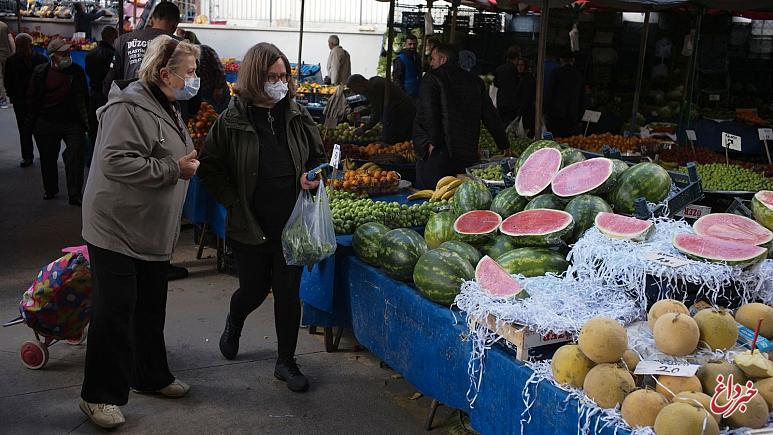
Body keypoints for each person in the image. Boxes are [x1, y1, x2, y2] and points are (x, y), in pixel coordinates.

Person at [79, 35, 200, 429]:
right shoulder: (127, 106)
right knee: (115, 310)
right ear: (166, 74)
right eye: (190, 72)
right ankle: (98, 397)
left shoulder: (165, 103)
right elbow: (114, 161)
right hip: (116, 226)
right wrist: (172, 170)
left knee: (150, 306)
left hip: (149, 228)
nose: (193, 79)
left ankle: (150, 376)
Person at [197, 42, 326, 393]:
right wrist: (233, 203)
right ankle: (235, 317)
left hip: (292, 223)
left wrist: (313, 176)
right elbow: (209, 167)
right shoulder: (232, 120)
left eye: (284, 76)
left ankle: (285, 362)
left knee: (288, 292)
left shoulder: (298, 116)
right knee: (253, 290)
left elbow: (318, 158)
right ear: (255, 77)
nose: (280, 83)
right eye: (272, 76)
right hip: (250, 223)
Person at [413, 44, 508, 189]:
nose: (431, 63)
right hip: (466, 151)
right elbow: (490, 115)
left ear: (443, 59)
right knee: (460, 196)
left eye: (433, 58)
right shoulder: (475, 81)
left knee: (432, 195)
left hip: (438, 152)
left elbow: (429, 113)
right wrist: (503, 143)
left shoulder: (432, 79)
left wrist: (432, 141)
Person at [25, 38, 89, 205]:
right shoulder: (40, 72)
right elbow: (32, 98)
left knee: (75, 158)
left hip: (73, 122)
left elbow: (84, 96)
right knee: (48, 158)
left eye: (68, 52)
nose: (68, 56)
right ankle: (50, 189)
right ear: (53, 56)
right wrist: (32, 123)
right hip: (46, 122)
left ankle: (75, 194)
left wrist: (86, 121)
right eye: (63, 54)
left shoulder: (76, 71)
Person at [103, 1, 180, 94]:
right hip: (165, 105)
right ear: (175, 25)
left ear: (151, 20)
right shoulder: (181, 45)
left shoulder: (124, 40)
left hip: (130, 102)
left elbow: (109, 84)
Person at [4, 33, 47, 167]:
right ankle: (27, 156)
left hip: (38, 99)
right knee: (24, 129)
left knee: (40, 128)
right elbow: (8, 80)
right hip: (20, 99)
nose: (20, 49)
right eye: (18, 46)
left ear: (31, 46)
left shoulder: (41, 60)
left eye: (23, 46)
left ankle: (45, 154)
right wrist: (12, 96)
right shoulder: (12, 60)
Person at [347, 74, 416, 144]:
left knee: (399, 142)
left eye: (355, 90)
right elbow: (375, 106)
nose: (356, 93)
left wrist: (364, 128)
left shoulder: (375, 87)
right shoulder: (372, 83)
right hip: (400, 112)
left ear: (359, 84)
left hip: (404, 113)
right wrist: (361, 113)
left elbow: (376, 112)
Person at [85, 26, 119, 162]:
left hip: (93, 93)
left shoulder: (91, 53)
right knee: (106, 130)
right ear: (113, 37)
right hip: (107, 96)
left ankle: (92, 157)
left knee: (93, 129)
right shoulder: (113, 55)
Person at [182, 30, 227, 112]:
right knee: (205, 112)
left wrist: (219, 87)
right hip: (202, 90)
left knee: (217, 111)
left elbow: (220, 70)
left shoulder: (206, 50)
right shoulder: (184, 55)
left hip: (215, 87)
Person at [544, 51, 585, 138]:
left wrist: (545, 111)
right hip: (572, 115)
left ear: (561, 60)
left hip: (555, 114)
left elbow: (550, 93)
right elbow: (582, 97)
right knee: (569, 140)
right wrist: (580, 116)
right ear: (573, 60)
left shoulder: (555, 73)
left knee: (556, 139)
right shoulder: (578, 75)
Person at [494, 46, 521, 126]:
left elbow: (495, 84)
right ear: (516, 58)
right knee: (508, 125)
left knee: (500, 123)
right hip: (511, 103)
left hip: (500, 100)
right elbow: (517, 86)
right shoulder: (514, 70)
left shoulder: (499, 69)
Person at [511, 57, 537, 137]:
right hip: (524, 111)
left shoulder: (528, 79)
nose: (519, 67)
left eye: (522, 65)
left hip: (527, 112)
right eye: (518, 65)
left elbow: (526, 97)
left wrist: (520, 112)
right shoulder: (523, 78)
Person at [392, 34, 421, 98]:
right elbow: (397, 79)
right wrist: (402, 94)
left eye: (414, 44)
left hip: (417, 93)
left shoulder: (417, 57)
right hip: (406, 95)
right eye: (410, 44)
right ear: (405, 45)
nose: (412, 46)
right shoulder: (400, 59)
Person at [0, 19, 14, 109]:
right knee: (7, 76)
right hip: (6, 55)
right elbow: (11, 40)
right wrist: (14, 52)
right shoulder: (3, 25)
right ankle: (10, 96)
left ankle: (2, 99)